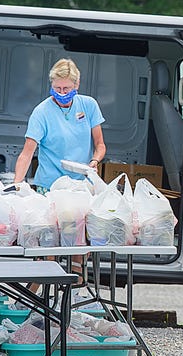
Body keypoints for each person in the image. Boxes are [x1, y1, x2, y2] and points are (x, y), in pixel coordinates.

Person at [14, 58, 106, 282]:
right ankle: (41, 295)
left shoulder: (88, 105)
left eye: (66, 88)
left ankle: (74, 290)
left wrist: (94, 161)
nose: (62, 92)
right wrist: (17, 184)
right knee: (50, 243)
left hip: (80, 187)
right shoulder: (42, 112)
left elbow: (100, 145)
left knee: (77, 242)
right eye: (57, 88)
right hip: (50, 187)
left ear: (77, 85)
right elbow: (27, 152)